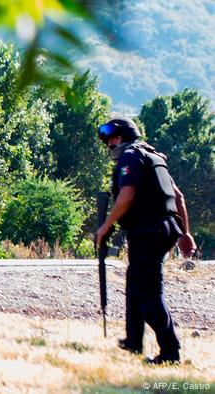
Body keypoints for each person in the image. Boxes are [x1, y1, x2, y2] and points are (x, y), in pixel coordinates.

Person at [96, 116, 196, 365]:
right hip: (163, 228)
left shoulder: (131, 156)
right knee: (135, 282)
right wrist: (184, 232)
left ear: (126, 136)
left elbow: (127, 195)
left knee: (149, 292)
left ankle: (170, 352)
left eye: (113, 139)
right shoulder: (153, 157)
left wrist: (105, 227)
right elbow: (178, 197)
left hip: (148, 230)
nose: (110, 144)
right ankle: (133, 341)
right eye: (107, 141)